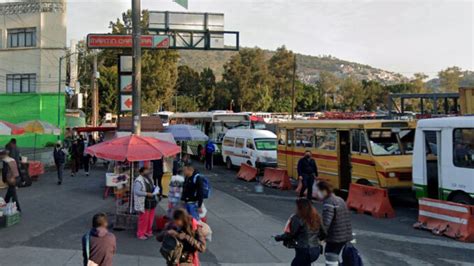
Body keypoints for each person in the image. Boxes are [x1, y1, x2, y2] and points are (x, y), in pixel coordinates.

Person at [275, 198, 326, 266]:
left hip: (304, 250)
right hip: (315, 250)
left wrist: (279, 237)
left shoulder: (297, 218)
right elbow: (324, 233)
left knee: (296, 264)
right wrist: (317, 239)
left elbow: (291, 234)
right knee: (306, 264)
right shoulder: (316, 217)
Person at [316, 181, 353, 256]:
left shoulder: (329, 202)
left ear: (324, 191)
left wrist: (320, 237)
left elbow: (326, 223)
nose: (317, 193)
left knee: (330, 256)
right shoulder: (340, 199)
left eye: (319, 191)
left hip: (335, 237)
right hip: (344, 235)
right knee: (335, 256)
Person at [133, 167, 159, 240]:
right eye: (146, 170)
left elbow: (152, 186)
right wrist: (146, 193)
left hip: (151, 201)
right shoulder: (138, 180)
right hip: (144, 202)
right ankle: (140, 233)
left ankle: (148, 231)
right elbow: (136, 191)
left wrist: (156, 189)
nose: (148, 171)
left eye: (148, 170)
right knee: (143, 219)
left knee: (150, 218)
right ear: (141, 172)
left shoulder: (149, 178)